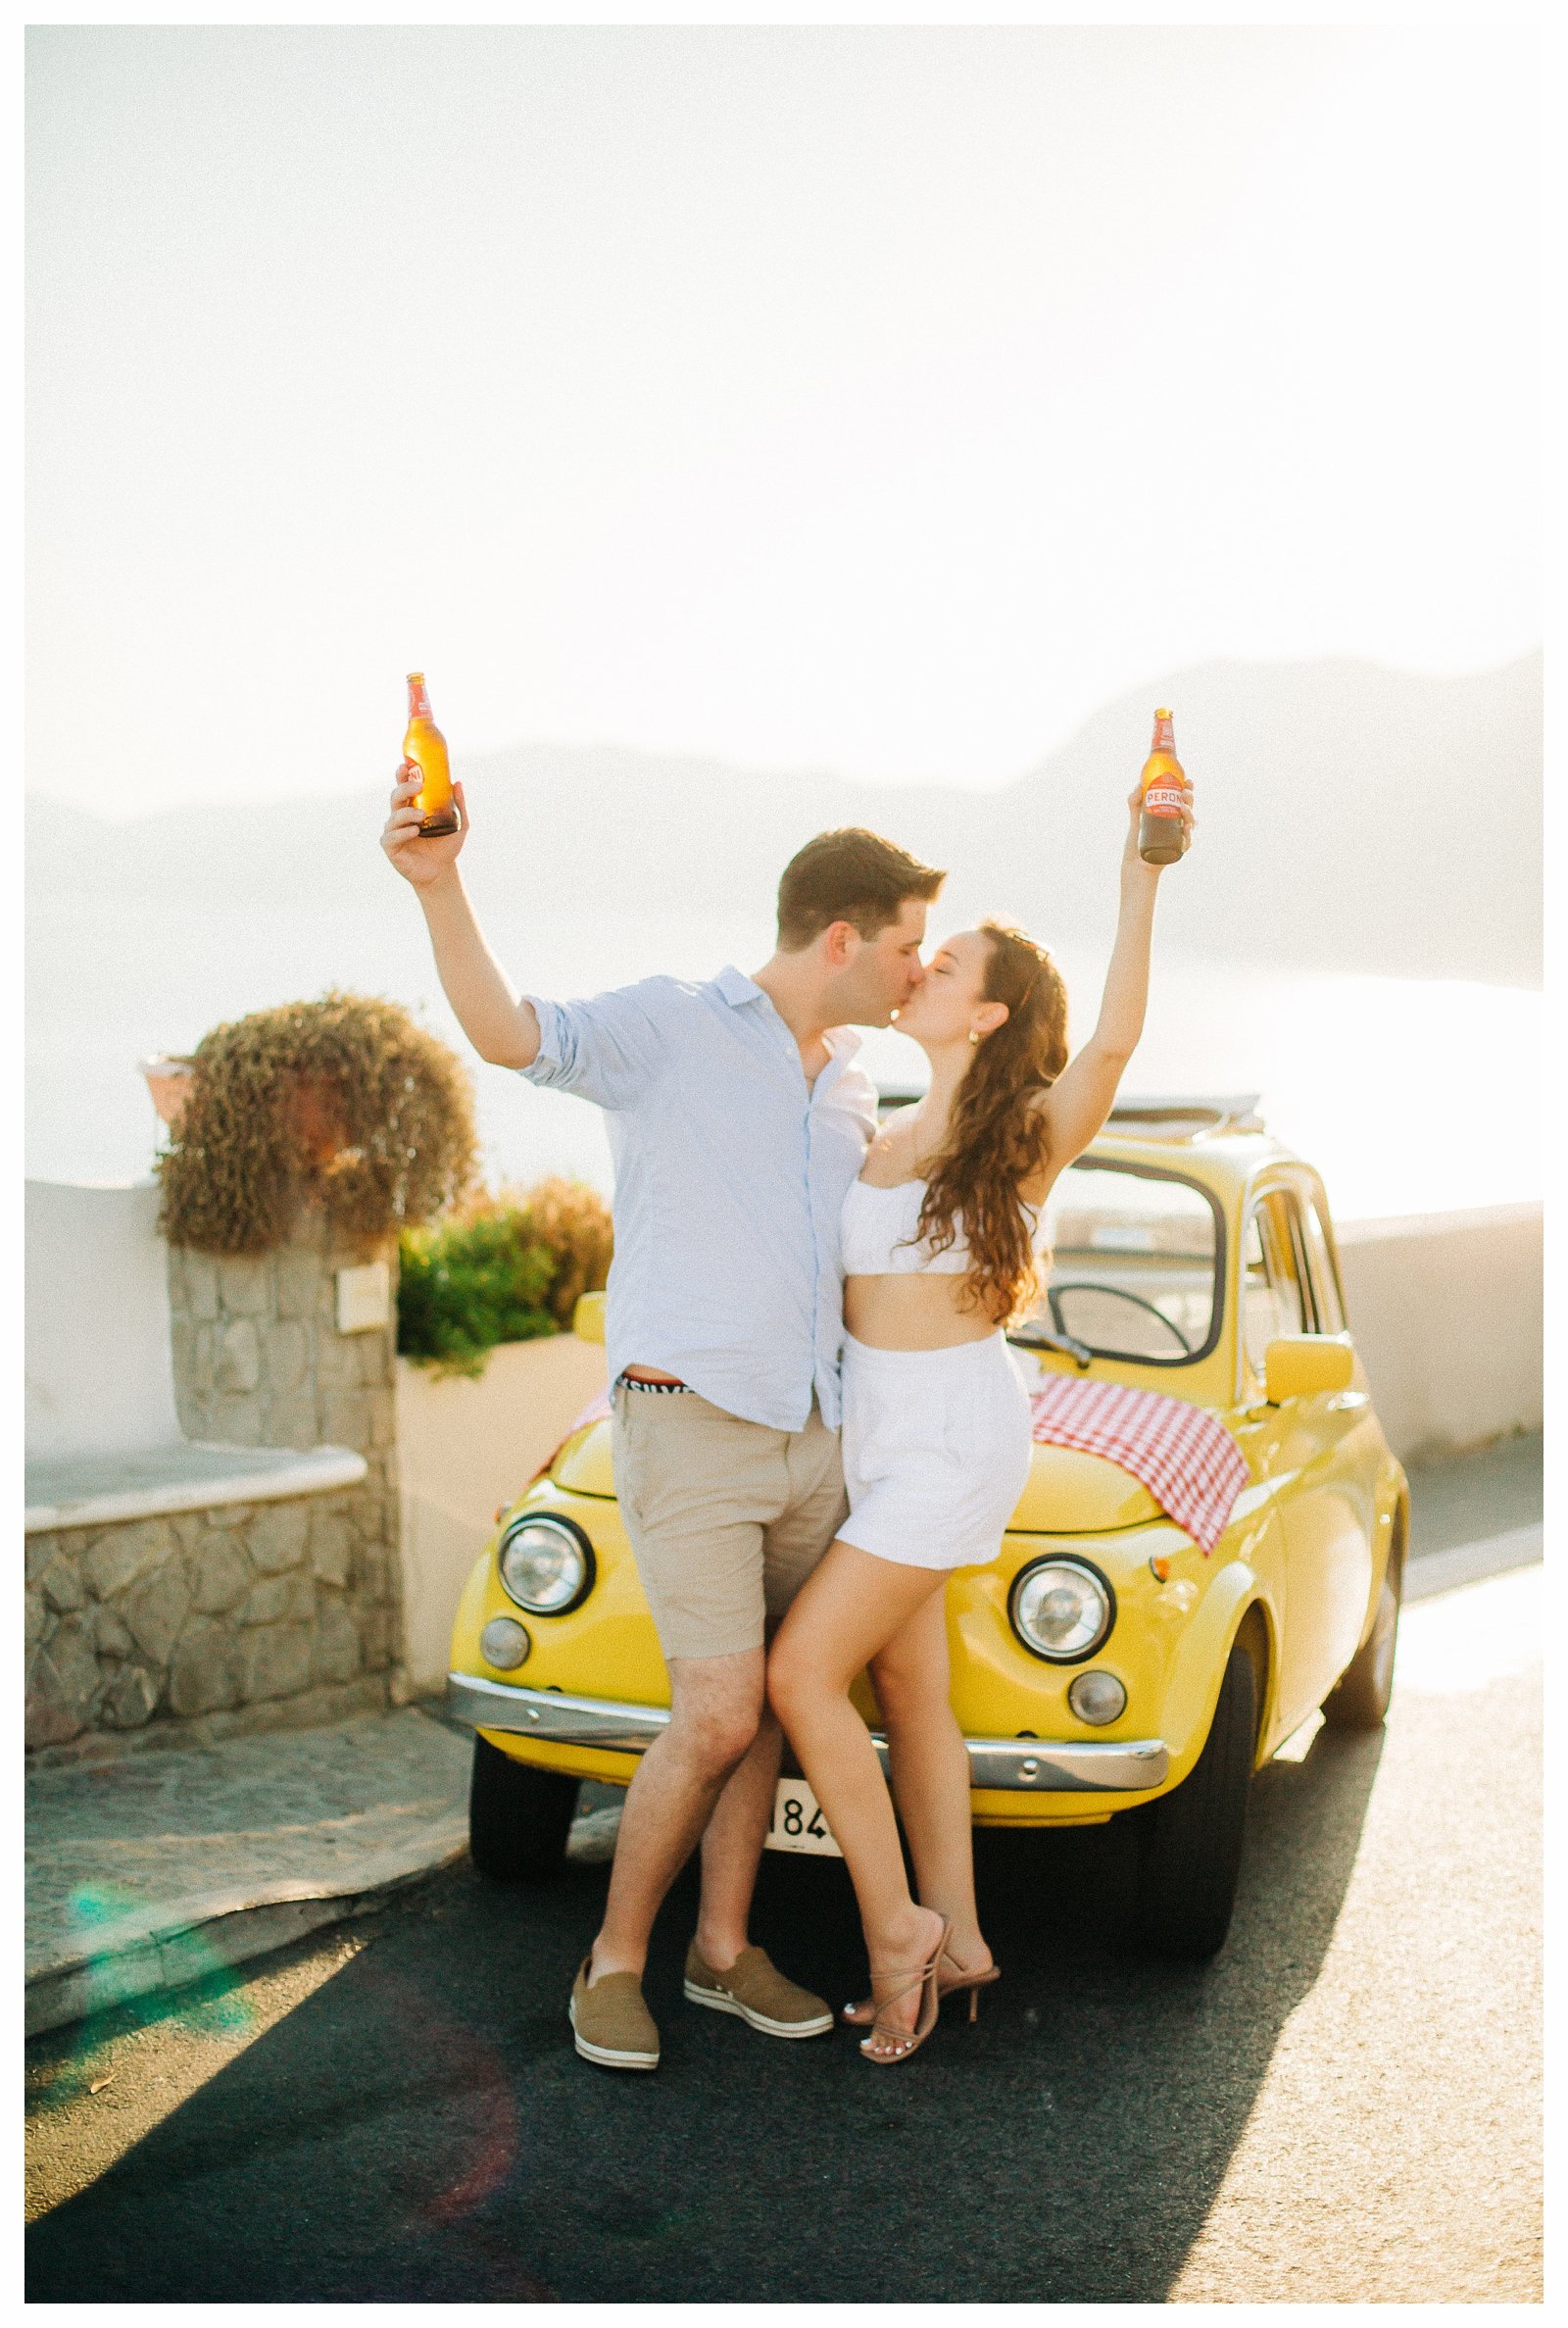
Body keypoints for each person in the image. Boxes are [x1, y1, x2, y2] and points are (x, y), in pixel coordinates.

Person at [381, 765, 946, 2071]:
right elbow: (511, 1033)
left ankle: (722, 1952)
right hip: (687, 1422)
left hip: (820, 1437)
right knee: (714, 1711)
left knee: (768, 1703)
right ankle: (617, 1958)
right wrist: (440, 879)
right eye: (908, 949)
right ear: (844, 937)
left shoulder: (855, 1082)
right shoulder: (673, 1024)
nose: (917, 973)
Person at [766, 769, 1196, 2064]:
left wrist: (1142, 870)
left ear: (988, 1009)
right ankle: (959, 1940)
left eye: (944, 963)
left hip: (952, 1438)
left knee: (800, 1676)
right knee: (914, 1692)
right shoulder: (872, 1124)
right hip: (875, 1433)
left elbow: (1113, 1042)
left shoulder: (1018, 1141)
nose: (921, 968)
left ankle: (894, 1933)